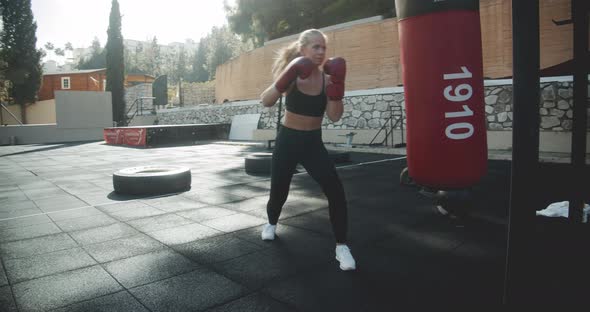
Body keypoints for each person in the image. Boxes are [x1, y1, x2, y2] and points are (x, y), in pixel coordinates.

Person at [259, 29, 356, 271]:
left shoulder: (327, 79)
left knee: (335, 191)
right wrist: (287, 75)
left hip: (313, 142)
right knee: (279, 191)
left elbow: (334, 117)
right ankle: (271, 222)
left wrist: (338, 86)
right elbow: (266, 100)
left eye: (323, 47)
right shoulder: (294, 75)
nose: (321, 52)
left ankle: (342, 246)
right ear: (303, 50)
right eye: (316, 47)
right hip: (288, 140)